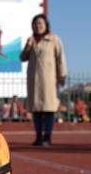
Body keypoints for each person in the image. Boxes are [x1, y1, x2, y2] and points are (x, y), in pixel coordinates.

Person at [20, 14, 67, 146]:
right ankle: (38, 136)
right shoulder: (31, 40)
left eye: (40, 23)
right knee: (36, 109)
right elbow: (22, 57)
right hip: (34, 80)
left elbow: (60, 58)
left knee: (48, 109)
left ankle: (47, 136)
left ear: (46, 25)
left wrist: (62, 75)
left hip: (49, 80)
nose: (38, 26)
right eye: (35, 24)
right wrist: (28, 45)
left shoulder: (54, 39)